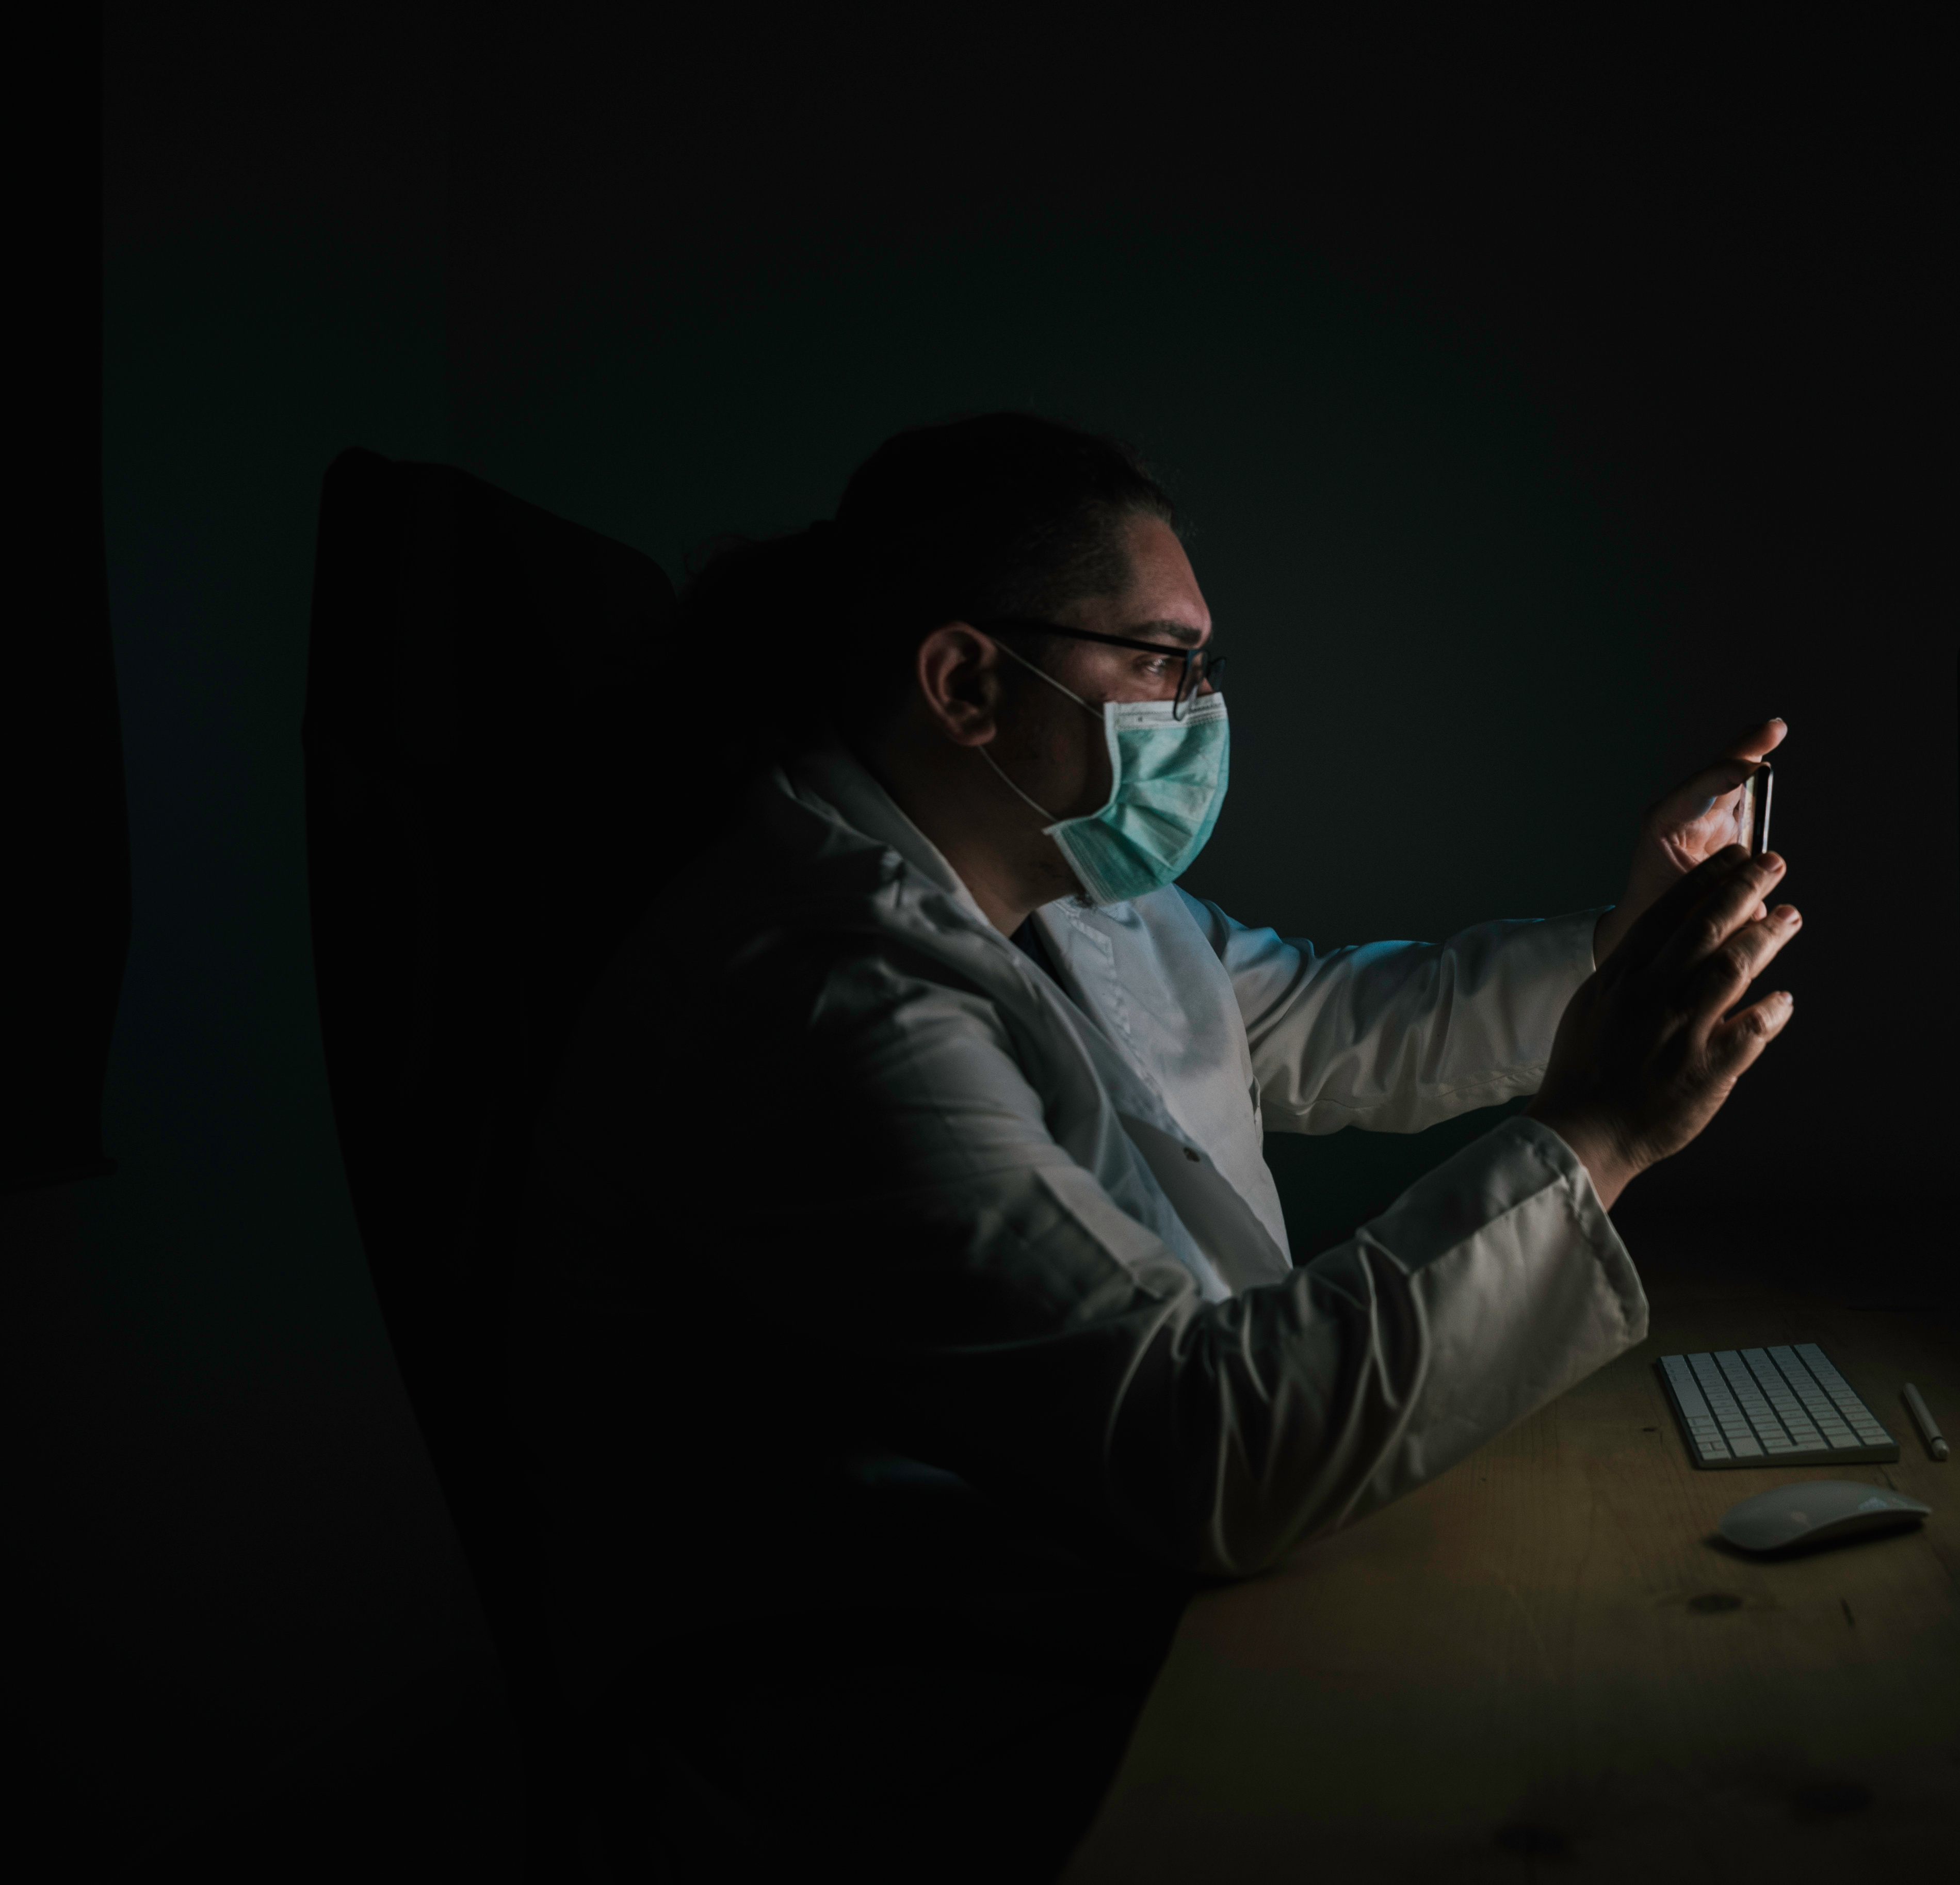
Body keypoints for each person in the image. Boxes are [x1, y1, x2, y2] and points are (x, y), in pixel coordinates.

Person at [507, 412, 1800, 1879]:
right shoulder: (823, 1004)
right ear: (966, 684)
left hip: (1114, 1610)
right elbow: (1200, 1452)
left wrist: (1639, 936)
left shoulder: (1059, 899)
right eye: (1161, 661)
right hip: (927, 1733)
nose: (1199, 708)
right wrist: (1602, 1133)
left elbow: (1341, 1021)